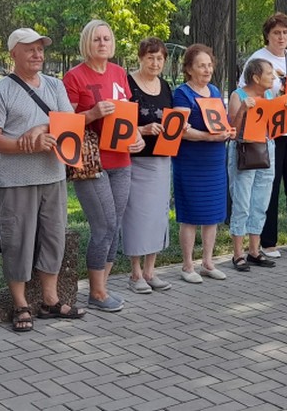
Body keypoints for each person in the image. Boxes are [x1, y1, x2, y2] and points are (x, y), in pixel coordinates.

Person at [0, 28, 86, 332]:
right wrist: (23, 144)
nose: (38, 54)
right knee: (17, 241)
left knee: (53, 238)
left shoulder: (55, 86)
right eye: (29, 49)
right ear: (13, 53)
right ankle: (19, 304)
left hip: (53, 175)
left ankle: (50, 300)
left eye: (41, 49)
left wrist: (41, 128)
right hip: (16, 181)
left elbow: (70, 124)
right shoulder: (0, 91)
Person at [63, 19, 145, 312]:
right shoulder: (74, 77)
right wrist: (92, 113)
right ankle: (96, 293)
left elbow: (127, 116)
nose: (102, 43)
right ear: (87, 42)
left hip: (121, 158)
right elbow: (63, 123)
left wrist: (136, 136)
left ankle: (102, 288)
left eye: (107, 38)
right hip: (90, 162)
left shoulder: (119, 73)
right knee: (104, 225)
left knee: (115, 225)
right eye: (96, 39)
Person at [239, 13, 287, 257]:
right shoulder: (258, 58)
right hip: (269, 132)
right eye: (276, 33)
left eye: (285, 33)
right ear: (267, 35)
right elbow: (245, 93)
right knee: (268, 186)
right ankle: (268, 240)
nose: (281, 37)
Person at [173, 44, 235, 282]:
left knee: (213, 213)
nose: (207, 69)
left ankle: (208, 262)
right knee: (190, 214)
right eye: (201, 65)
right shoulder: (182, 94)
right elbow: (181, 131)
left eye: (209, 64)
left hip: (215, 160)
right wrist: (209, 136)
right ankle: (188, 266)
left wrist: (228, 130)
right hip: (191, 161)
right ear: (189, 69)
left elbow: (220, 123)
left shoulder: (215, 91)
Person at [228, 59, 287, 271]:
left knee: (261, 201)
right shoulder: (238, 96)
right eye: (269, 74)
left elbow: (275, 124)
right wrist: (243, 111)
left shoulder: (270, 96)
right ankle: (237, 253)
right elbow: (232, 130)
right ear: (256, 77)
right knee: (242, 201)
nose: (273, 78)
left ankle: (254, 250)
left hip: (267, 148)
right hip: (245, 149)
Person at [123, 37, 175, 293]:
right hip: (135, 160)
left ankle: (150, 271)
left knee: (157, 216)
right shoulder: (127, 84)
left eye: (160, 58)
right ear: (140, 57)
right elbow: (119, 122)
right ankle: (134, 274)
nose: (155, 63)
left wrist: (179, 126)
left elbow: (172, 119)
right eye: (150, 57)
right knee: (137, 215)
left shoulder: (165, 86)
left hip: (162, 159)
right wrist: (141, 129)